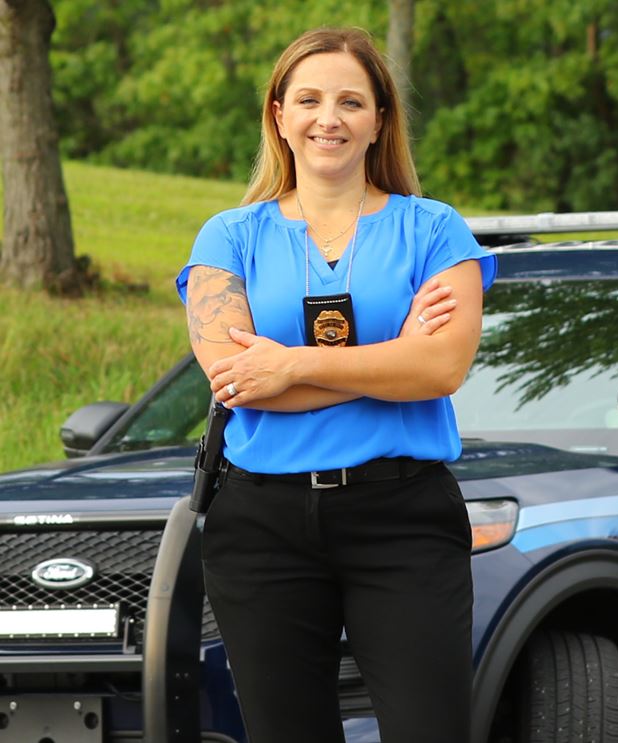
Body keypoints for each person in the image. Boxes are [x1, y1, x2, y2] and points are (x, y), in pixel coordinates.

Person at [174, 27, 493, 743]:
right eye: (310, 99)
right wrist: (394, 360)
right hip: (262, 526)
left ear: (380, 119)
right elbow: (236, 380)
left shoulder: (435, 231)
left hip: (403, 515)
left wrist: (292, 363)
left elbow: (441, 369)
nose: (330, 118)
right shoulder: (227, 237)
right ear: (279, 115)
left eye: (352, 101)